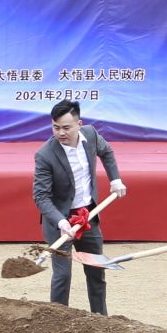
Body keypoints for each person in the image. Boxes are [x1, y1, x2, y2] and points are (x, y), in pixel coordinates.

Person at [33, 99, 126, 314]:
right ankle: (58, 320)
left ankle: (100, 318)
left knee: (96, 271)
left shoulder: (90, 135)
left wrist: (115, 179)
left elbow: (107, 152)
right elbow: (41, 196)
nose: (60, 133)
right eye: (55, 127)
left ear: (79, 124)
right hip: (60, 221)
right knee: (62, 275)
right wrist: (61, 221)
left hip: (88, 216)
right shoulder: (45, 155)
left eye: (66, 127)